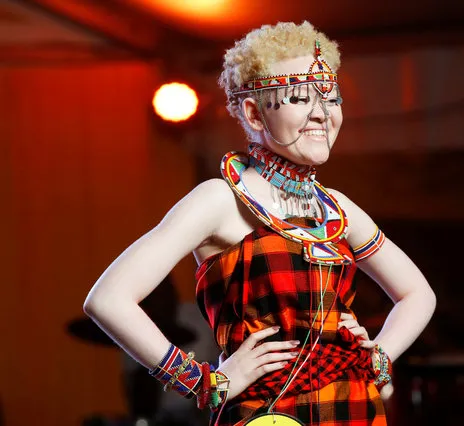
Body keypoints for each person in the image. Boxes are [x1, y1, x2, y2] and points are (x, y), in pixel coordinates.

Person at [84, 21, 436, 426]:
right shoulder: (220, 199)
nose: (322, 114)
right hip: (265, 414)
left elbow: (417, 294)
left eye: (331, 98)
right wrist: (205, 383)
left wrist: (377, 355)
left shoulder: (337, 210)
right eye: (300, 98)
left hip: (354, 409)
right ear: (253, 112)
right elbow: (108, 299)